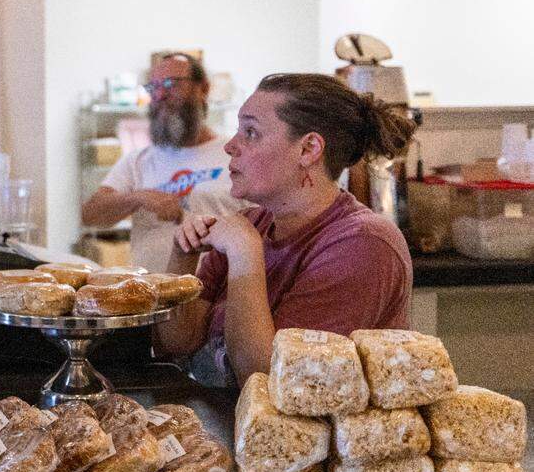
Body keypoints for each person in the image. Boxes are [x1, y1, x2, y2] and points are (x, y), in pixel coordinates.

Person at [155, 73, 416, 390]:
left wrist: (244, 254)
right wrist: (182, 257)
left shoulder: (364, 244)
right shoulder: (251, 224)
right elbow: (177, 341)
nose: (230, 146)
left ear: (309, 149)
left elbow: (267, 379)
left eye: (251, 132)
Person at [81, 53, 250, 271]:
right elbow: (91, 215)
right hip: (152, 296)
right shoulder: (137, 160)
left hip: (221, 296)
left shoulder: (236, 154)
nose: (160, 94)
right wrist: (139, 197)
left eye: (171, 84)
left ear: (203, 89)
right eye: (153, 87)